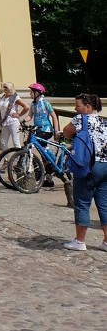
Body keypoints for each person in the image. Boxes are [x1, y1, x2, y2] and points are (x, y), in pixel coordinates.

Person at [62, 93, 107, 252]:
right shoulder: (104, 121)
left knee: (82, 203)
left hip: (89, 166)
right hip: (105, 166)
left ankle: (80, 241)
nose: (75, 108)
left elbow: (66, 132)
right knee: (104, 205)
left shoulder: (81, 119)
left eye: (78, 105)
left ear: (88, 107)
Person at [0, 83, 27, 150]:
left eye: (6, 88)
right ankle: (6, 159)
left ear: (10, 89)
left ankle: (19, 157)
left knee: (15, 141)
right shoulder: (3, 97)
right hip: (5, 122)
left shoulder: (15, 97)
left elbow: (26, 107)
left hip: (13, 121)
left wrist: (19, 114)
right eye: (4, 87)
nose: (4, 89)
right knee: (3, 142)